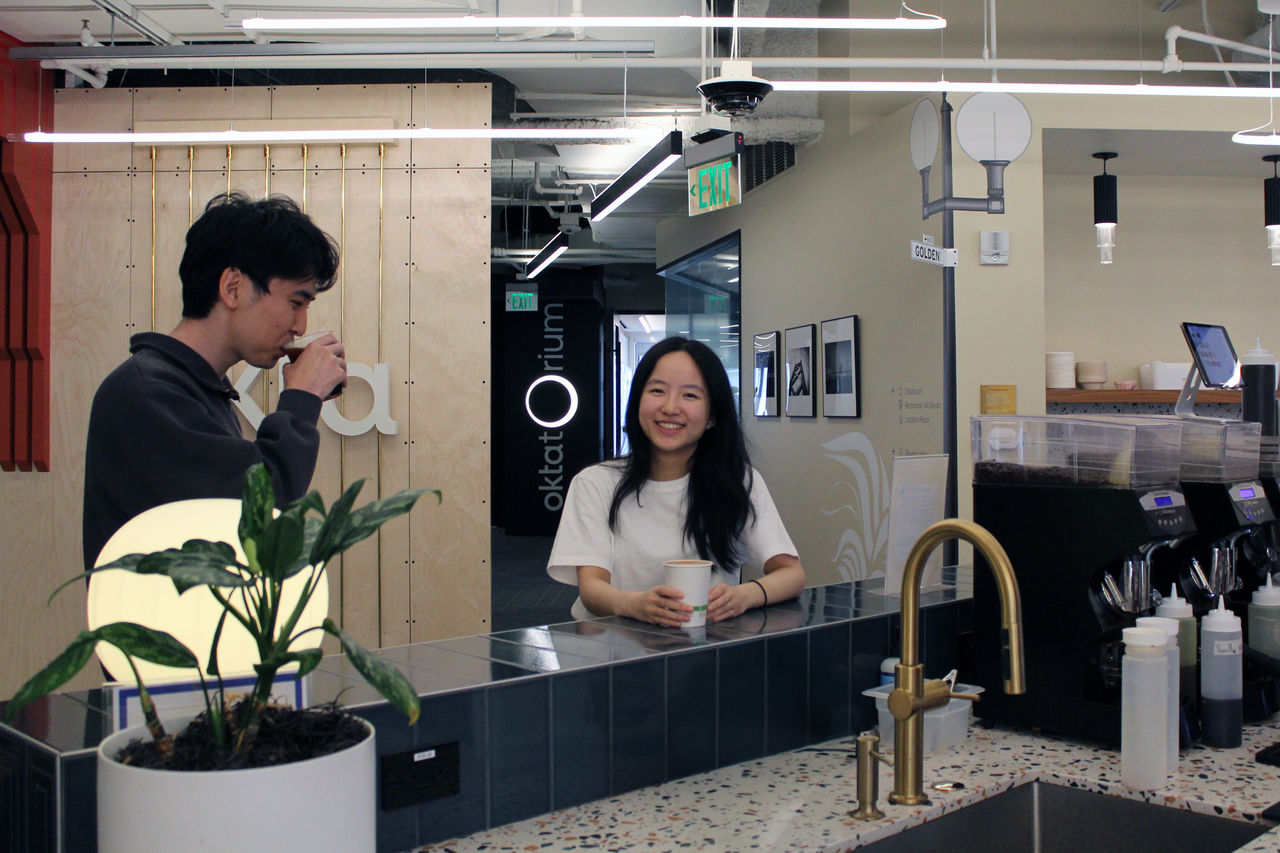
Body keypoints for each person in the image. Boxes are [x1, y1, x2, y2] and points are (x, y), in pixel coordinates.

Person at [81, 192, 344, 571]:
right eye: (295, 302)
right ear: (233, 287)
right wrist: (301, 400)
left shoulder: (193, 388)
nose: (300, 325)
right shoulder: (147, 394)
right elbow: (259, 511)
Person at [548, 336, 805, 626]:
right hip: (609, 648)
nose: (670, 407)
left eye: (690, 395)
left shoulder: (737, 481)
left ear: (712, 417)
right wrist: (636, 605)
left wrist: (744, 595)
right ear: (637, 401)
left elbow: (791, 574)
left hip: (699, 650)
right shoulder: (595, 483)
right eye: (657, 390)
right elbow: (591, 590)